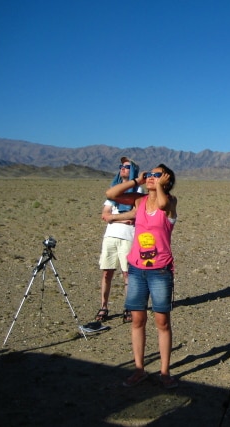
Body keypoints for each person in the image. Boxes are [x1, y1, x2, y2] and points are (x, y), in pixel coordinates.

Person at [105, 163, 179, 389]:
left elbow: (164, 203)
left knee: (162, 321)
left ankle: (164, 372)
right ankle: (139, 370)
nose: (150, 178)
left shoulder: (171, 201)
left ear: (166, 180)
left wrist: (160, 187)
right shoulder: (139, 201)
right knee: (138, 320)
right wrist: (137, 181)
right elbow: (111, 194)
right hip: (136, 269)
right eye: (149, 174)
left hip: (160, 270)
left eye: (156, 175)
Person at [95, 157, 141, 323]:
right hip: (110, 237)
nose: (123, 168)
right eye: (121, 166)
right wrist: (120, 218)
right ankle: (104, 306)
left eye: (127, 167)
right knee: (107, 272)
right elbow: (104, 214)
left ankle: (128, 306)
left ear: (134, 171)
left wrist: (113, 217)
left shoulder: (139, 192)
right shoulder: (113, 190)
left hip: (128, 238)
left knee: (127, 274)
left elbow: (134, 216)